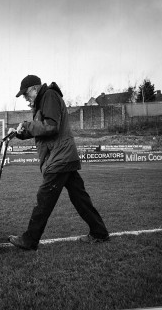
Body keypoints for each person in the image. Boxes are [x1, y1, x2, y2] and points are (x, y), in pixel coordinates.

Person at [8, 75, 109, 250]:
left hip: (59, 158)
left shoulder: (49, 96)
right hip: (63, 156)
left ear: (34, 89)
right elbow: (41, 128)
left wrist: (26, 125)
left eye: (25, 94)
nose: (25, 98)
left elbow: (50, 127)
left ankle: (30, 240)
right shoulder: (43, 101)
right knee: (80, 198)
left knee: (44, 199)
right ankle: (99, 232)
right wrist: (19, 133)